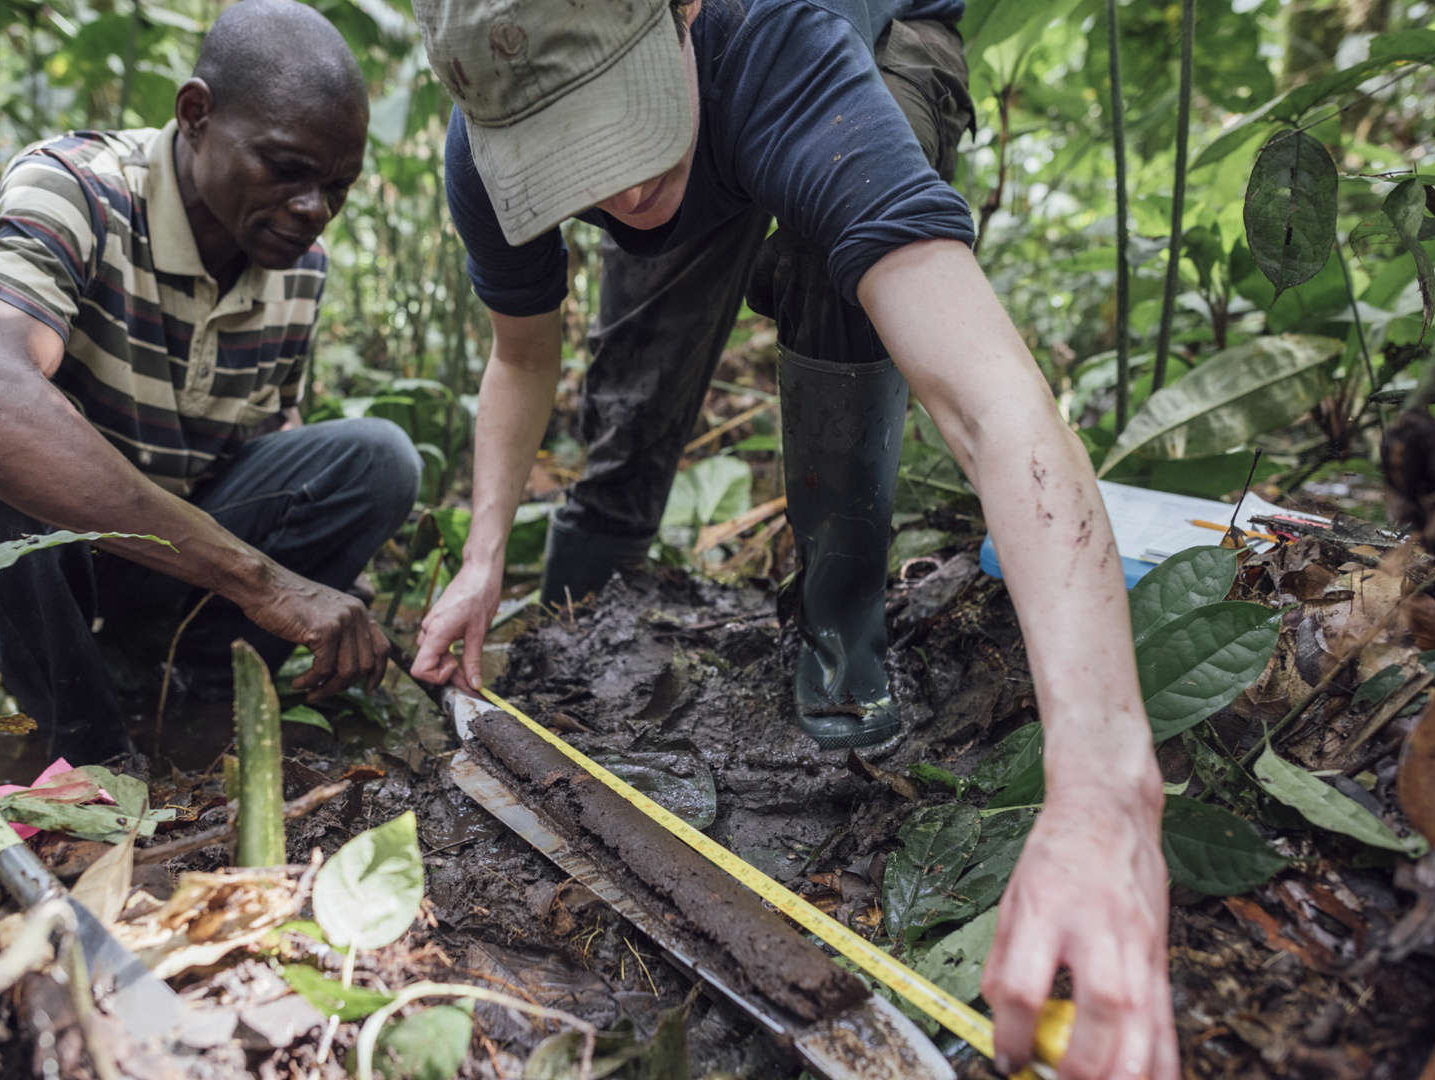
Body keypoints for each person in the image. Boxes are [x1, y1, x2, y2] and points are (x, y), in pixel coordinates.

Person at [407, 1, 1177, 1076]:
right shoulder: (487, 132)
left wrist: (1102, 789)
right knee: (633, 383)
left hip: (872, 35)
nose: (620, 189)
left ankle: (840, 622)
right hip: (704, 105)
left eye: (615, 122)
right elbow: (523, 356)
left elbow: (987, 400)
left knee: (840, 272)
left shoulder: (773, 41)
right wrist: (485, 556)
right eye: (567, 150)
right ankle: (575, 627)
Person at [0, 0, 421, 765]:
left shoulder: (297, 266)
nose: (314, 211)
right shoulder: (76, 186)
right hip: (18, 570)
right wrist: (266, 583)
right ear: (196, 114)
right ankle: (83, 750)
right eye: (287, 169)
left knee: (379, 458)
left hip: (155, 561)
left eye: (337, 187)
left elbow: (272, 438)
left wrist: (322, 584)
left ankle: (195, 699)